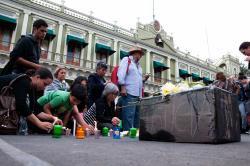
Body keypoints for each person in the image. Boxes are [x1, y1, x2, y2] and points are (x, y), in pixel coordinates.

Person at [0, 67, 58, 133]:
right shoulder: (23, 81)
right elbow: (21, 105)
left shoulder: (32, 88)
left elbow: (36, 110)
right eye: (44, 84)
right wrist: (39, 123)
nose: (44, 88)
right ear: (37, 77)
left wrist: (53, 118)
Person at [117, 46, 149, 131]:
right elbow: (121, 74)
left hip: (138, 95)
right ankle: (127, 134)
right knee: (128, 116)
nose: (140, 56)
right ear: (134, 53)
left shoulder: (139, 67)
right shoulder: (126, 60)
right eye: (139, 54)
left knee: (136, 116)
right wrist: (123, 87)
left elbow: (137, 80)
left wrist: (144, 79)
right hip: (129, 93)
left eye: (141, 55)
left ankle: (135, 135)